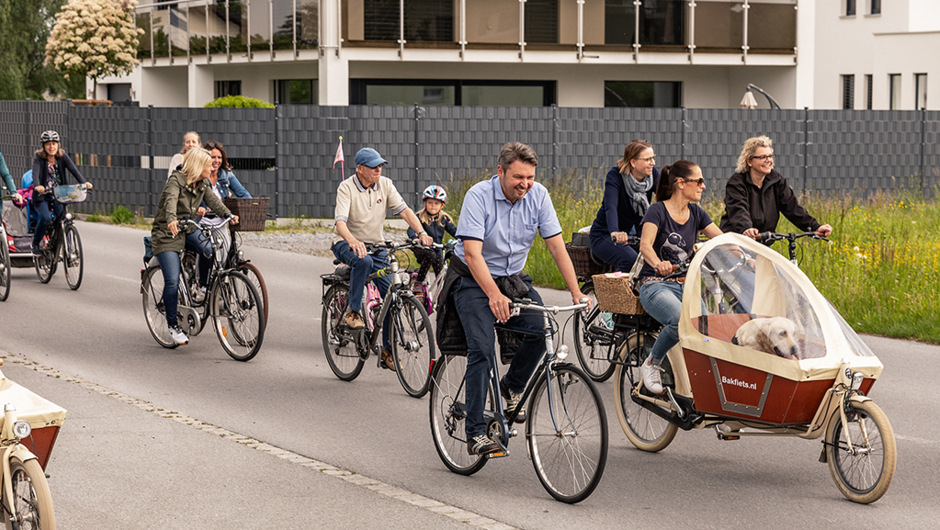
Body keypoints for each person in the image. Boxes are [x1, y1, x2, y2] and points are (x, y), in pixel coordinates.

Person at [451, 142, 588, 456]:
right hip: (473, 280)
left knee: (543, 329)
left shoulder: (538, 195)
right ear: (500, 172)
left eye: (530, 177)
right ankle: (475, 432)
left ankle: (510, 386)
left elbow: (556, 247)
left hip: (512, 279)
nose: (525, 184)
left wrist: (576, 291)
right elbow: (472, 255)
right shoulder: (478, 197)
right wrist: (493, 294)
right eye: (518, 177)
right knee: (482, 350)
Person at [332, 147, 433, 370]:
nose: (379, 169)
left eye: (380, 165)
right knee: (364, 261)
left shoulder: (385, 184)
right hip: (346, 242)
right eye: (373, 166)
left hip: (375, 245)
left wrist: (422, 233)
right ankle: (353, 310)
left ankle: (387, 349)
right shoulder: (346, 187)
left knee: (391, 296)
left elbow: (405, 211)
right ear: (360, 169)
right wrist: (352, 241)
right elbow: (340, 223)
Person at [636, 160, 722, 395]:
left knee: (706, 330)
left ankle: (701, 386)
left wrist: (745, 251)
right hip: (655, 285)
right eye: (699, 181)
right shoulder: (658, 211)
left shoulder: (696, 212)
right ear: (681, 183)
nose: (703, 186)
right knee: (678, 319)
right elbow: (645, 245)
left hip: (686, 285)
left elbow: (720, 240)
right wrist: (658, 263)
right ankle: (652, 363)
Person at [151, 148, 238, 346]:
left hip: (188, 227)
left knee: (210, 249)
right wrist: (171, 220)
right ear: (199, 167)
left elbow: (213, 201)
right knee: (172, 281)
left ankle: (202, 286)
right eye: (209, 165)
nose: (213, 167)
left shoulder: (203, 183)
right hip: (167, 233)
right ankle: (173, 325)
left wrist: (228, 215)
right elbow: (170, 202)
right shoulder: (176, 180)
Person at [719, 136, 832, 241]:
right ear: (749, 161)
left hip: (763, 243)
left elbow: (792, 208)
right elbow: (738, 209)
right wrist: (746, 228)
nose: (768, 160)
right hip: (737, 243)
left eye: (770, 156)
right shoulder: (737, 183)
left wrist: (815, 227)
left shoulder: (776, 180)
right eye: (762, 157)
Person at [192, 141, 252, 301]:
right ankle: (202, 285)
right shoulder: (199, 174)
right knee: (206, 251)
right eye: (213, 157)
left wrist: (251, 205)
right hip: (201, 221)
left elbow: (243, 193)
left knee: (224, 256)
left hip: (221, 221)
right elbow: (191, 197)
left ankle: (220, 287)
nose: (216, 160)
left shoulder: (226, 174)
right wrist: (196, 208)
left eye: (219, 157)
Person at [589, 139, 660, 271]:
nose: (653, 163)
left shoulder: (652, 176)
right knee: (630, 260)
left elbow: (665, 201)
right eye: (648, 159)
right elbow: (611, 206)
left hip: (637, 236)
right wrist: (615, 231)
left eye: (653, 158)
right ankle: (616, 291)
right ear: (633, 162)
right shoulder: (616, 176)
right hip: (605, 235)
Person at [31, 130, 93, 254]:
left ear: (58, 145)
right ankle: (36, 243)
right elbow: (35, 173)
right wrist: (38, 185)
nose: (51, 146)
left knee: (64, 219)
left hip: (59, 194)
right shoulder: (39, 158)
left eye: (54, 143)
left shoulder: (62, 156)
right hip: (42, 195)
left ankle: (69, 251)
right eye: (48, 144)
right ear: (43, 146)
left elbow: (74, 170)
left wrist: (83, 183)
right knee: (45, 218)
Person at [406, 185, 457, 283]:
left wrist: (464, 238)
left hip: (437, 251)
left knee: (441, 276)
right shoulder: (419, 217)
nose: (433, 205)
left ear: (441, 205)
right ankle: (419, 282)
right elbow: (411, 230)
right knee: (431, 254)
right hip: (422, 249)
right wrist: (415, 239)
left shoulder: (444, 219)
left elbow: (455, 232)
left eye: (436, 203)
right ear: (425, 203)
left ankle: (441, 295)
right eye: (430, 202)